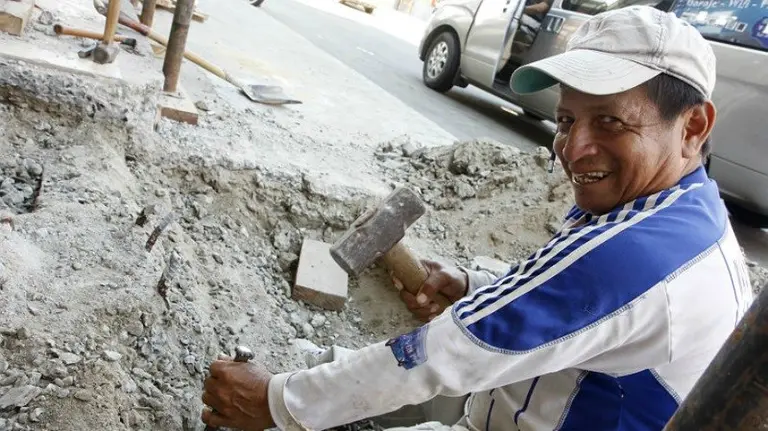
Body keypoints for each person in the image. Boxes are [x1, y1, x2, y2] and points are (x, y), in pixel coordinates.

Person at [200, 6, 755, 431]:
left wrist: (276, 403)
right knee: (340, 378)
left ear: (692, 127)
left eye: (610, 122)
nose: (574, 148)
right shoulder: (678, 211)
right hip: (545, 396)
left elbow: (448, 353)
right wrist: (476, 287)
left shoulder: (638, 253)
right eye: (566, 120)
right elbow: (576, 298)